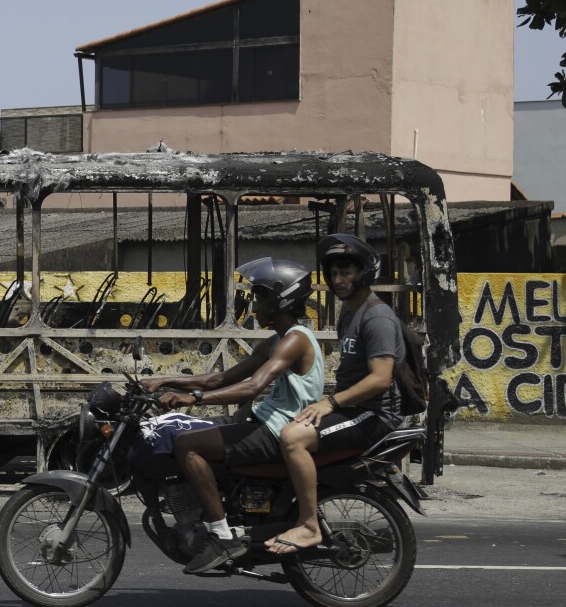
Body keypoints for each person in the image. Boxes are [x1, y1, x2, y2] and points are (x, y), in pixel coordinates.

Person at [140, 257, 324, 574]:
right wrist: (165, 380)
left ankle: (222, 535)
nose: (254, 306)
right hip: (260, 421)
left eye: (260, 298)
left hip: (280, 429)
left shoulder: (295, 340)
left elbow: (253, 386)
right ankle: (218, 510)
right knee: (185, 433)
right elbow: (221, 379)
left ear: (281, 298)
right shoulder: (277, 340)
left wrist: (191, 398)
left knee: (188, 445)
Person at [265, 234, 406, 556]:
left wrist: (329, 403)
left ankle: (310, 526)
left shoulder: (377, 317)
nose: (338, 280)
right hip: (353, 408)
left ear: (365, 272)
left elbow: (381, 379)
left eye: (347, 272)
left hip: (375, 414)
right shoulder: (349, 314)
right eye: (333, 274)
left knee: (292, 437)